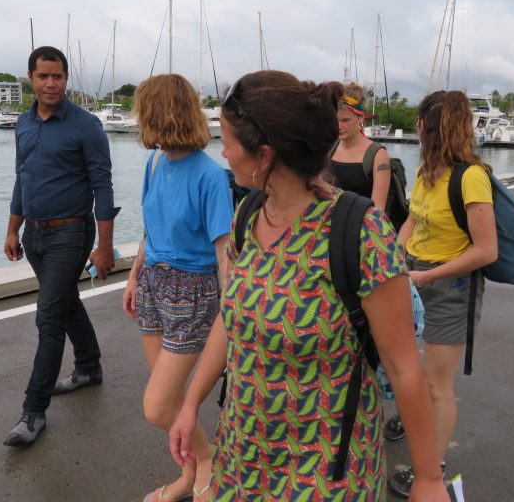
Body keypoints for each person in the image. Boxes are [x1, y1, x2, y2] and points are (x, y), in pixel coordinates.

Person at [169, 70, 448, 502]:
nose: (221, 153)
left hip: (326, 471)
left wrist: (428, 479)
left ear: (264, 155)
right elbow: (231, 317)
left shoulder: (359, 232)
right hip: (241, 454)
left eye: (227, 142)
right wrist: (190, 404)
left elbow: (403, 368)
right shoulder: (246, 216)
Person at [121, 74, 233, 502]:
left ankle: (207, 461)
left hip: (192, 293)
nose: (136, 120)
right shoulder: (154, 164)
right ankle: (190, 473)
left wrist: (232, 327)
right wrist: (134, 277)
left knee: (157, 406)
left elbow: (225, 257)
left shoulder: (209, 177)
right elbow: (150, 230)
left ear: (157, 114)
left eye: (141, 111)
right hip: (153, 284)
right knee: (168, 403)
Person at [2, 46, 117, 447]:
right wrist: (12, 229)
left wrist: (105, 247)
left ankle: (33, 412)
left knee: (48, 318)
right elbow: (23, 179)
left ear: (67, 80)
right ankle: (89, 367)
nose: (51, 83)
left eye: (58, 76)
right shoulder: (23, 124)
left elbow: (103, 185)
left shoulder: (86, 126)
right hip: (34, 234)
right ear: (31, 79)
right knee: (65, 301)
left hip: (71, 232)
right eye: (43, 76)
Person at [388, 90, 498, 498]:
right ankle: (415, 428)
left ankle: (431, 469)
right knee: (408, 370)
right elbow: (412, 224)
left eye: (420, 121)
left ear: (431, 126)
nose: (417, 128)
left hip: (450, 287)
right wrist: (393, 259)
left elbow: (486, 250)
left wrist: (429, 276)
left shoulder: (471, 177)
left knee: (437, 384)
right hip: (413, 277)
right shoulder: (426, 171)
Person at [329, 81, 391, 209]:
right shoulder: (329, 148)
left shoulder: (378, 156)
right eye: (335, 120)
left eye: (345, 120)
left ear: (361, 117)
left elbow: (378, 211)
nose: (339, 126)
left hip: (360, 227)